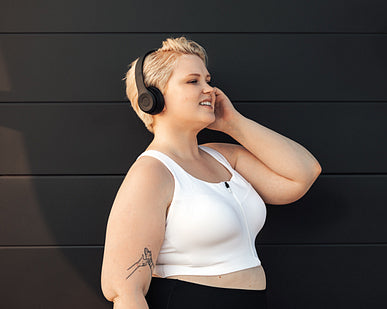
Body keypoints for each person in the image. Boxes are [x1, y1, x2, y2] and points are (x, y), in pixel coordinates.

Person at [101, 36, 322, 309]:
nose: (210, 90)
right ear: (153, 98)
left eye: (208, 79)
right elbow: (123, 288)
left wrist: (233, 123)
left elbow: (304, 174)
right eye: (193, 81)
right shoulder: (152, 172)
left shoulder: (225, 156)